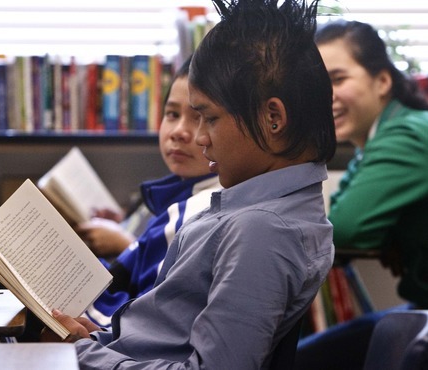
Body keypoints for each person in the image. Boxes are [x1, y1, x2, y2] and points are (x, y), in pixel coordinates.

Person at [41, 0, 336, 368]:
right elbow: (163, 337)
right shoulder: (254, 210)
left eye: (208, 118)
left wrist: (80, 353)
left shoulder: (262, 231)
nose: (199, 138)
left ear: (272, 118)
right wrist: (94, 342)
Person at [296, 19, 428, 370]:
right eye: (316, 84)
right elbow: (345, 226)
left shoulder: (405, 136)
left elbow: (342, 229)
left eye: (337, 79)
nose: (325, 95)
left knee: (301, 362)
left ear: (381, 81)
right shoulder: (387, 134)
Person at [81, 57, 222, 327]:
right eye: (172, 114)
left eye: (199, 118)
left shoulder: (194, 211)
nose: (179, 131)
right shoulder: (176, 192)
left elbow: (139, 327)